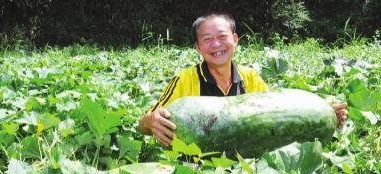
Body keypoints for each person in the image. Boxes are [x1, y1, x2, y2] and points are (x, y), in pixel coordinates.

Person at [138, 13, 348, 146]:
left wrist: (329, 114)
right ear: (198, 48)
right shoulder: (184, 80)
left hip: (246, 167)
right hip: (197, 170)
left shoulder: (251, 77)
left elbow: (279, 118)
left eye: (222, 36)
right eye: (207, 39)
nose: (216, 44)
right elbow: (146, 123)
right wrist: (150, 122)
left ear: (235, 40)